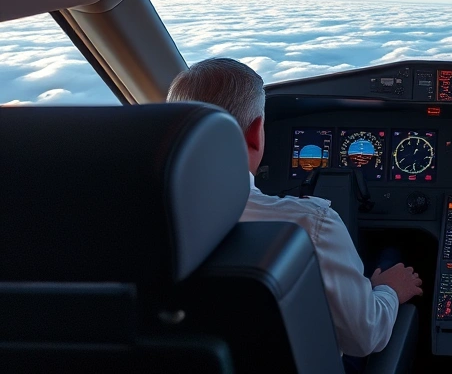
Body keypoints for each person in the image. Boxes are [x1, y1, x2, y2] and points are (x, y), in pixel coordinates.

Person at [167, 58, 422, 366]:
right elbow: (365, 337)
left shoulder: (127, 224)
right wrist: (388, 291)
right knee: (391, 255)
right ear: (256, 132)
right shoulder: (308, 225)